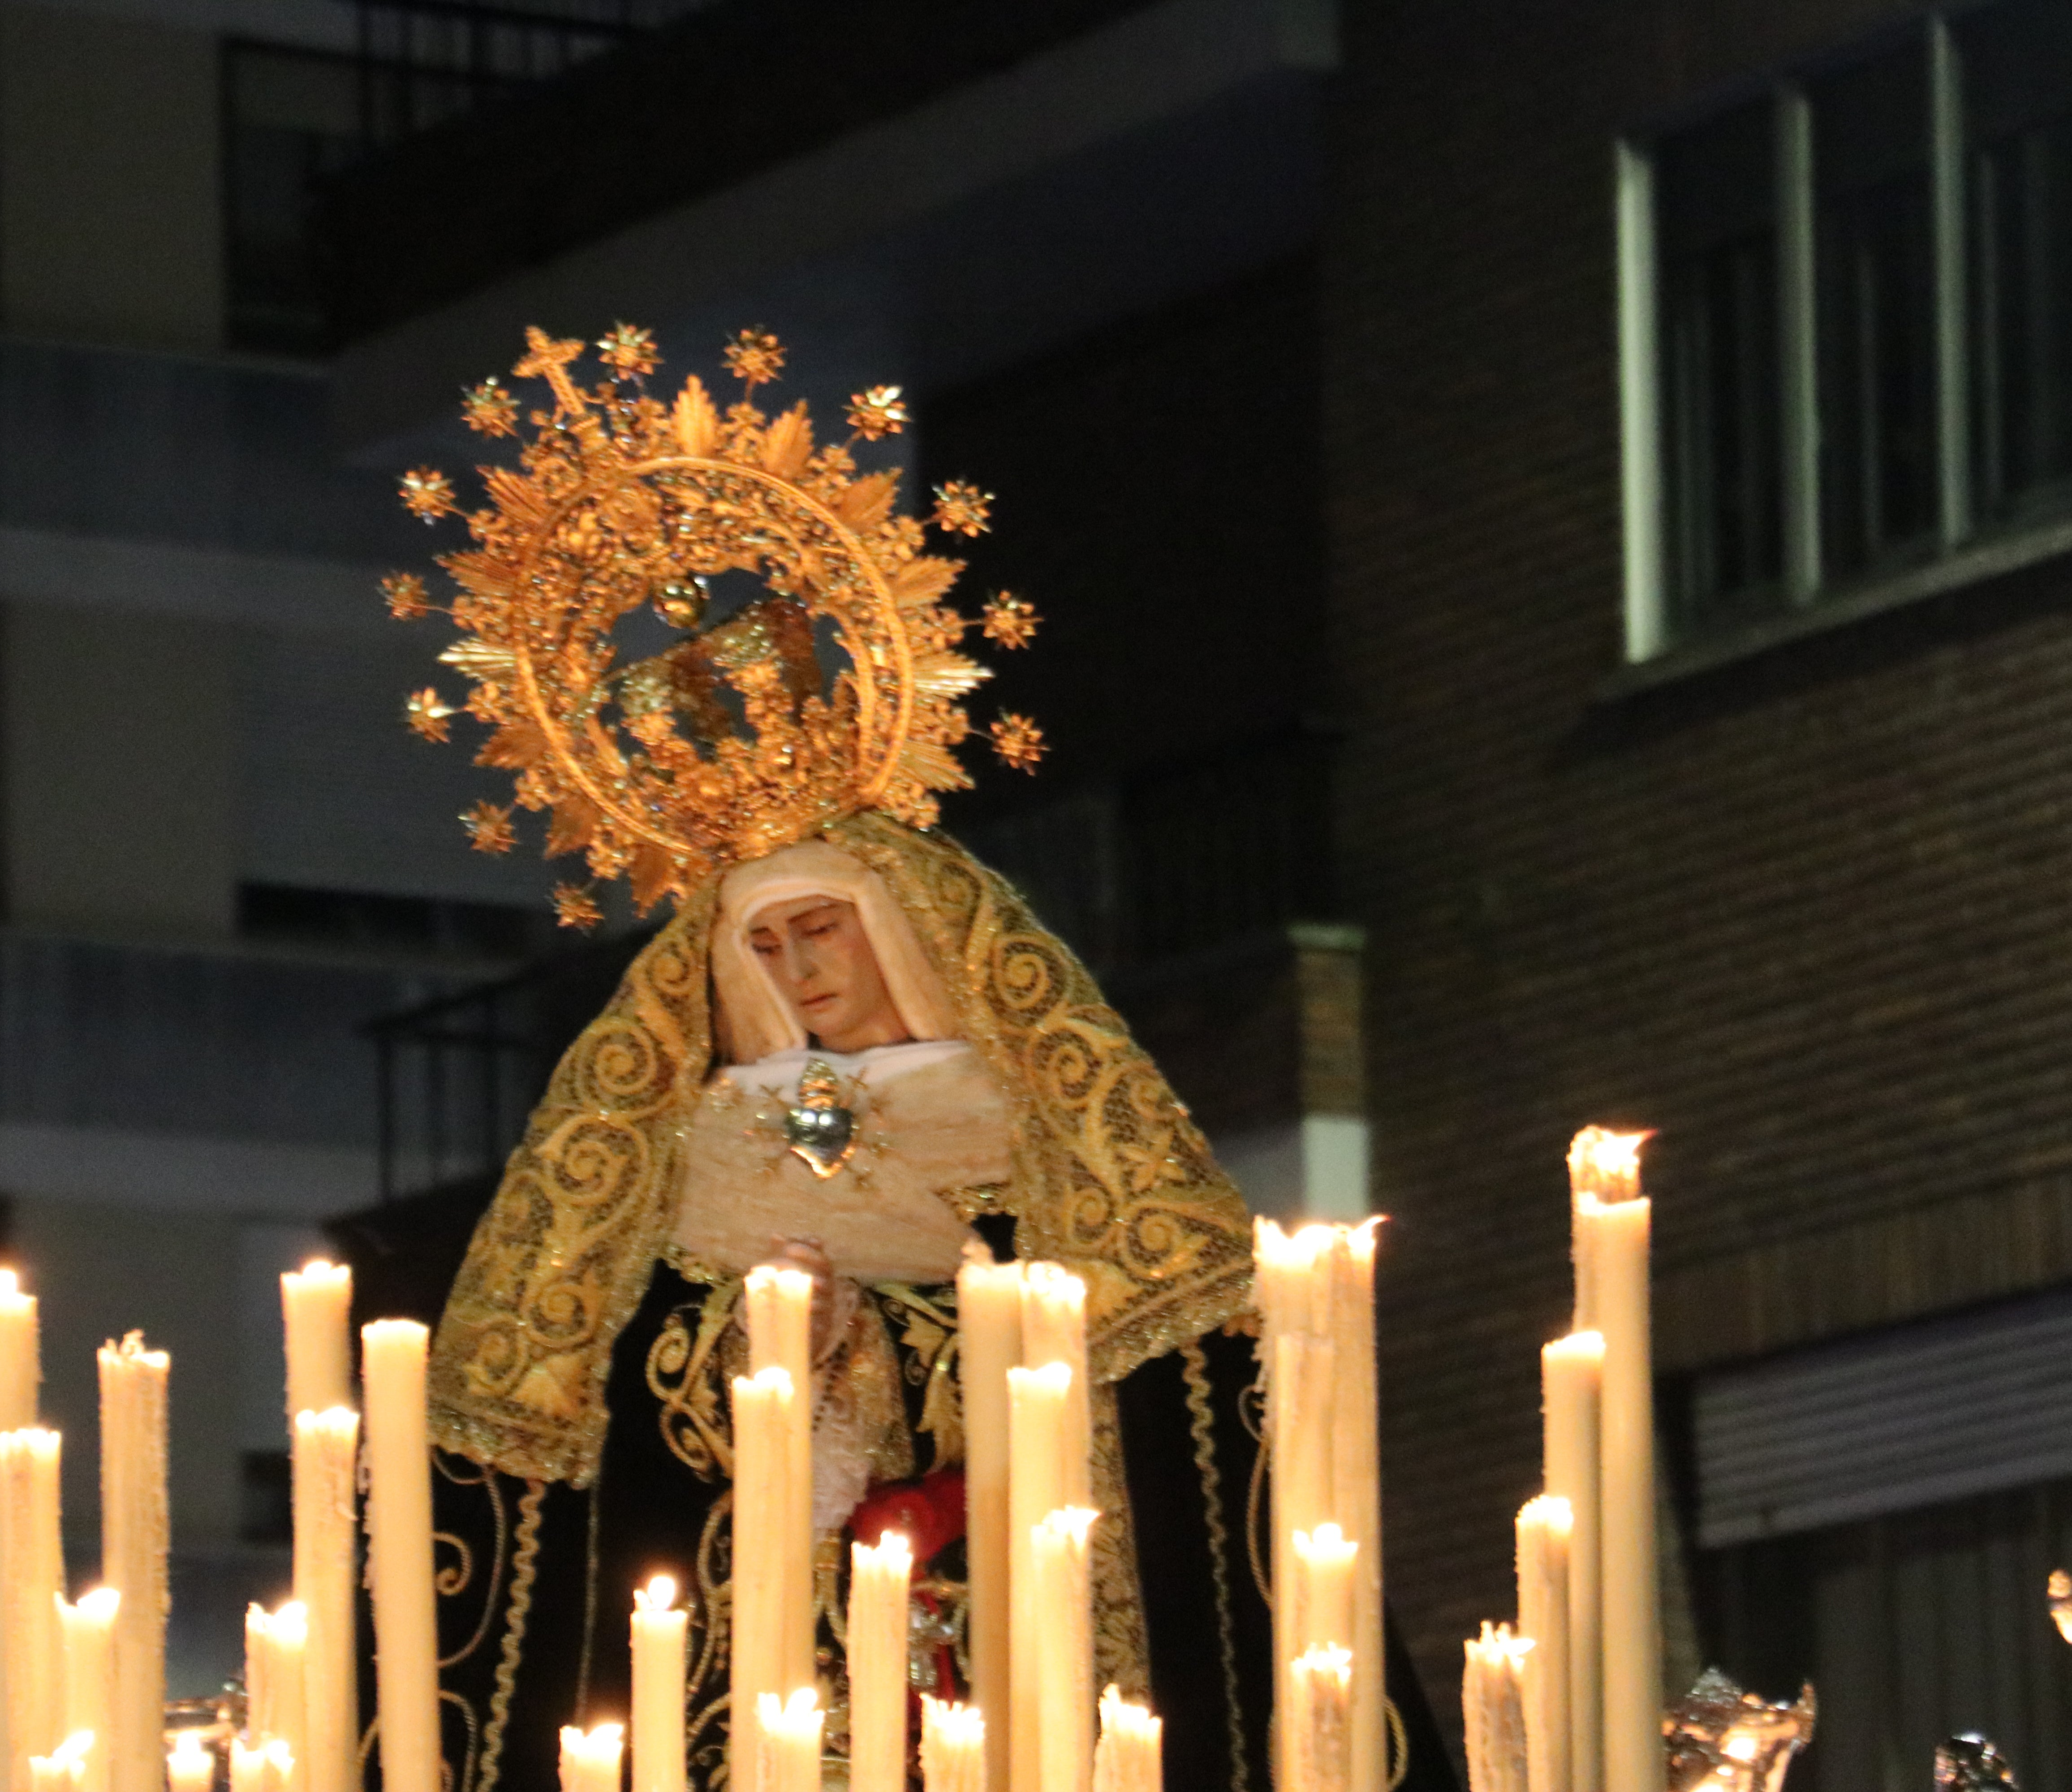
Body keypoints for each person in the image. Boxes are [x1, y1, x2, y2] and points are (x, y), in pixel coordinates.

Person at [359, 324, 1451, 1792]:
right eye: (771, 949)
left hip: (1023, 1670)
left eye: (825, 929)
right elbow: (613, 1457)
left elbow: (1168, 1408)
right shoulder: (677, 1170)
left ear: (905, 928)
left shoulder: (1052, 1134)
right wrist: (790, 1358)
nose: (805, 969)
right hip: (755, 1687)